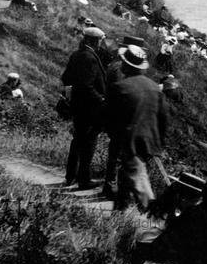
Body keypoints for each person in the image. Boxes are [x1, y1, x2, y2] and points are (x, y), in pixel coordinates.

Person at [106, 45, 167, 210]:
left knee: (138, 178)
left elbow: (109, 116)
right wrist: (159, 143)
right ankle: (120, 210)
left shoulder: (120, 87)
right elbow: (163, 119)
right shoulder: (155, 88)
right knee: (128, 173)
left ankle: (153, 216)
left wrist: (113, 134)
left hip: (129, 140)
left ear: (126, 66)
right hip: (149, 141)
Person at [62, 27, 107, 189]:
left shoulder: (77, 54)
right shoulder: (90, 58)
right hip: (90, 109)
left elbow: (66, 77)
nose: (101, 43)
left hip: (79, 107)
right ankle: (83, 179)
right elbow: (87, 85)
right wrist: (101, 98)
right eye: (100, 40)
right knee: (89, 143)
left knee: (78, 141)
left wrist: (72, 95)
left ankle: (71, 176)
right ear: (94, 41)